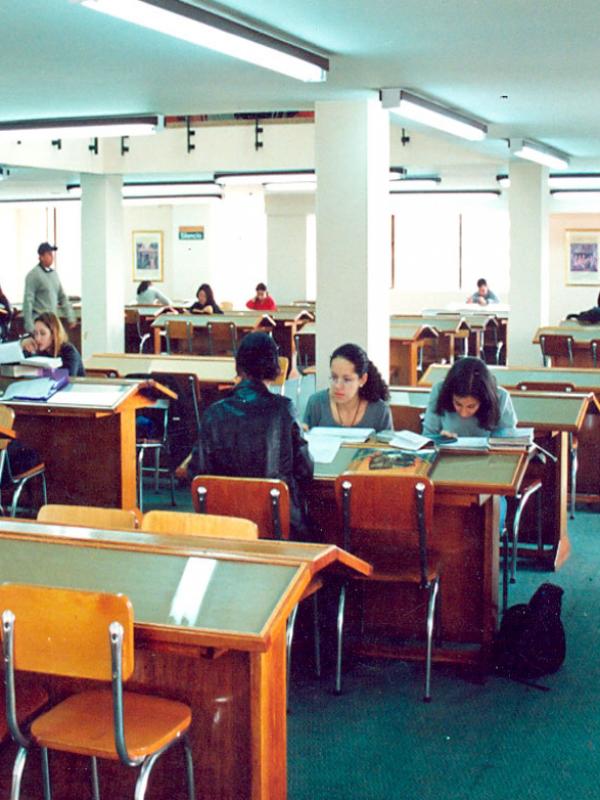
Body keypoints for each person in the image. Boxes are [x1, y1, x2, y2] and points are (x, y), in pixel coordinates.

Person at [187, 331, 313, 535]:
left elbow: (197, 471)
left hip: (225, 524)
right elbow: (305, 470)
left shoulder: (214, 412)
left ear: (240, 366)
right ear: (274, 367)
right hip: (275, 522)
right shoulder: (283, 410)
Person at [304, 342, 393, 432]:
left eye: (347, 380)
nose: (338, 386)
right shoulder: (316, 403)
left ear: (362, 379)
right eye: (334, 377)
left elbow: (387, 445)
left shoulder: (379, 410)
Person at [422, 356, 517, 438]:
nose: (463, 414)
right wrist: (439, 440)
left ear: (484, 401)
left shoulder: (501, 397)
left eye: (471, 406)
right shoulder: (439, 391)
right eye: (458, 404)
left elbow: (507, 441)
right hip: (447, 456)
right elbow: (428, 435)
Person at [22, 242, 76, 333]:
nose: (52, 257)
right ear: (41, 257)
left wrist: (70, 316)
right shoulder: (33, 275)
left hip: (52, 322)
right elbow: (28, 301)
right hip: (39, 322)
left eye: (52, 254)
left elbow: (62, 297)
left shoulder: (54, 274)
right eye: (49, 254)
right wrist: (29, 325)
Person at [22, 312, 85, 377]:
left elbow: (67, 377)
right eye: (35, 333)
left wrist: (38, 372)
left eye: (43, 333)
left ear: (53, 335)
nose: (37, 338)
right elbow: (15, 366)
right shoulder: (38, 349)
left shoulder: (69, 351)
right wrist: (22, 346)